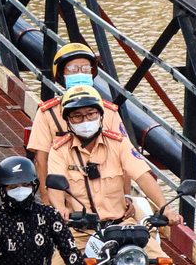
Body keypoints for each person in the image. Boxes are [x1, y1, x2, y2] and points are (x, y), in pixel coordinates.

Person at [41, 84, 166, 236]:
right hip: (80, 231)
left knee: (159, 258)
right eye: (77, 116)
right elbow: (56, 185)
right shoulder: (59, 150)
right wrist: (61, 208)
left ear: (100, 115)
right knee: (58, 260)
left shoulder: (120, 143)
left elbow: (143, 176)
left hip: (122, 227)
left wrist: (165, 209)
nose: (85, 120)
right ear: (68, 120)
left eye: (91, 114)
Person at [27, 42, 125, 186]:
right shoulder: (48, 113)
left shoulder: (108, 111)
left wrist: (127, 196)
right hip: (65, 190)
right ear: (61, 74)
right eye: (72, 69)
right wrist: (47, 199)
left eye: (85, 69)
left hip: (105, 189)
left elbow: (125, 155)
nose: (80, 73)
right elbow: (41, 160)